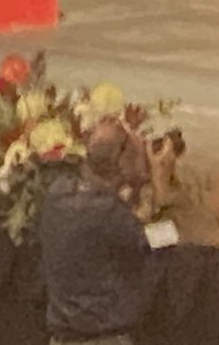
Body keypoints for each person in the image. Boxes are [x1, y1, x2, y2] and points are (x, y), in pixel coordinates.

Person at [39, 119, 151, 345]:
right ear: (122, 160)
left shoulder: (56, 194)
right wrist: (151, 184)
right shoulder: (111, 214)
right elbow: (156, 241)